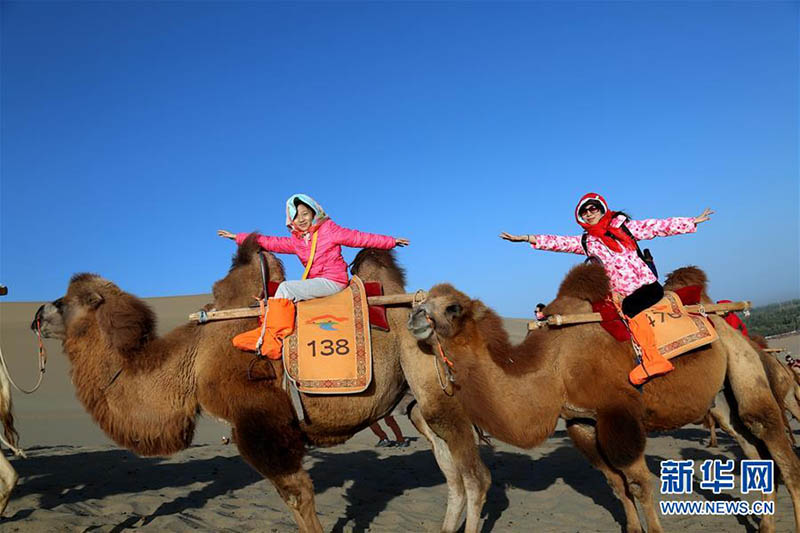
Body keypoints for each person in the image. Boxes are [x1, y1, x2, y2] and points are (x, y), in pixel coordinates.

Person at [500, 192, 713, 386]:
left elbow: (656, 227)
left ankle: (654, 360)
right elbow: (559, 242)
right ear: (580, 217)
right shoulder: (586, 241)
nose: (590, 213)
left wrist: (691, 221)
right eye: (585, 211)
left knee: (630, 308)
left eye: (593, 208)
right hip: (618, 293)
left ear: (602, 208)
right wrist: (528, 238)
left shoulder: (623, 227)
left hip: (646, 286)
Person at [218, 193, 409, 358]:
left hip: (334, 280)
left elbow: (359, 237)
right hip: (318, 281)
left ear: (314, 213)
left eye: (305, 214)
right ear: (290, 220)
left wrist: (391, 241)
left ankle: (272, 339)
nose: (301, 219)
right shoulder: (297, 241)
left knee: (285, 288)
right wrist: (240, 238)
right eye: (296, 216)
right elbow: (271, 242)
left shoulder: (330, 230)